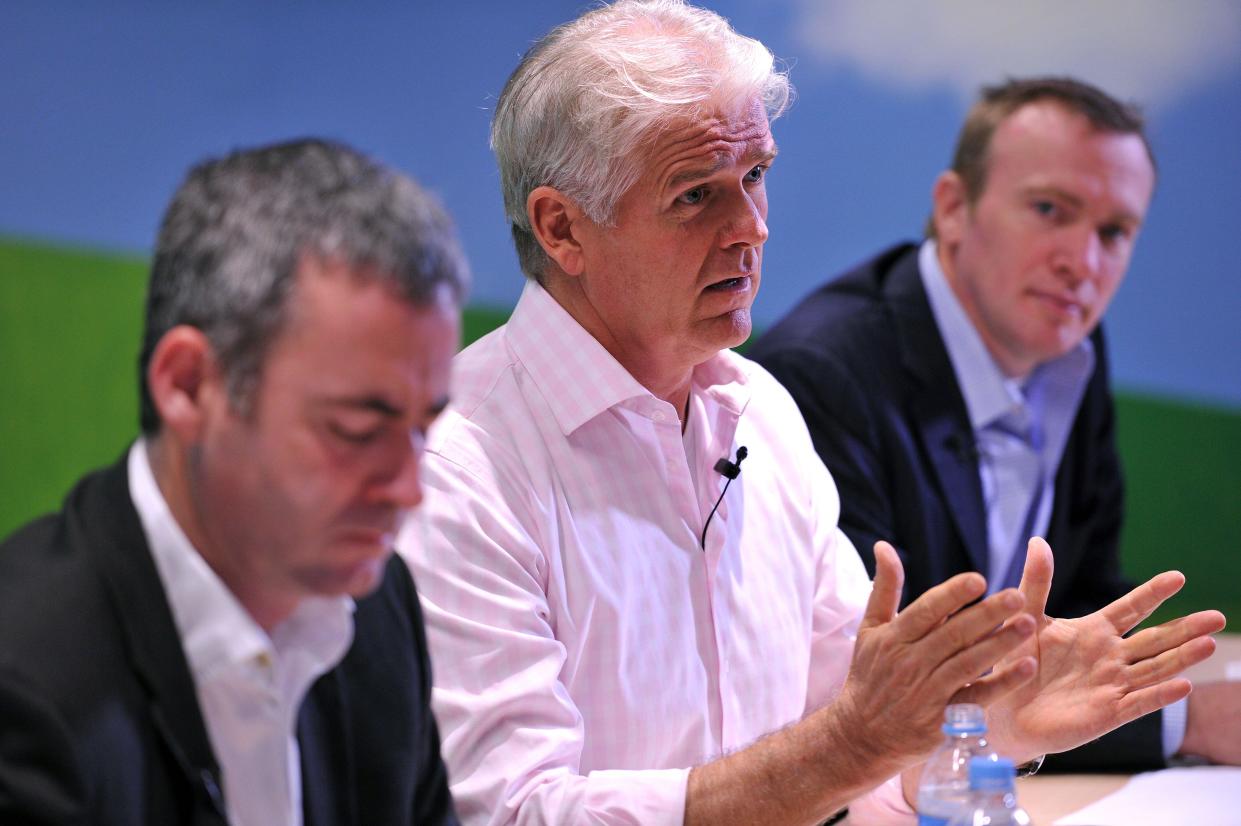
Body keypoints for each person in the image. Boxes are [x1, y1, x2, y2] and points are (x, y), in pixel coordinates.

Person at [399, 3, 1225, 823]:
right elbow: (512, 813)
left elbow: (861, 751)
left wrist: (990, 728)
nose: (750, 227)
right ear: (561, 227)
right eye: (695, 195)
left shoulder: (762, 414)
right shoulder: (455, 469)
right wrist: (854, 747)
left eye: (755, 175)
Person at [750, 76, 1241, 772]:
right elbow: (860, 690)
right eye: (1048, 209)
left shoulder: (1070, 351)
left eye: (1113, 231)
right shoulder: (820, 377)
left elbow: (1083, 607)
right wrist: (1181, 722)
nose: (1083, 262)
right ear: (952, 208)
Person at [0, 139, 464, 825]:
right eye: (357, 431)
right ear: (189, 386)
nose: (407, 490)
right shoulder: (25, 687)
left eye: (425, 429)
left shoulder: (377, 609)